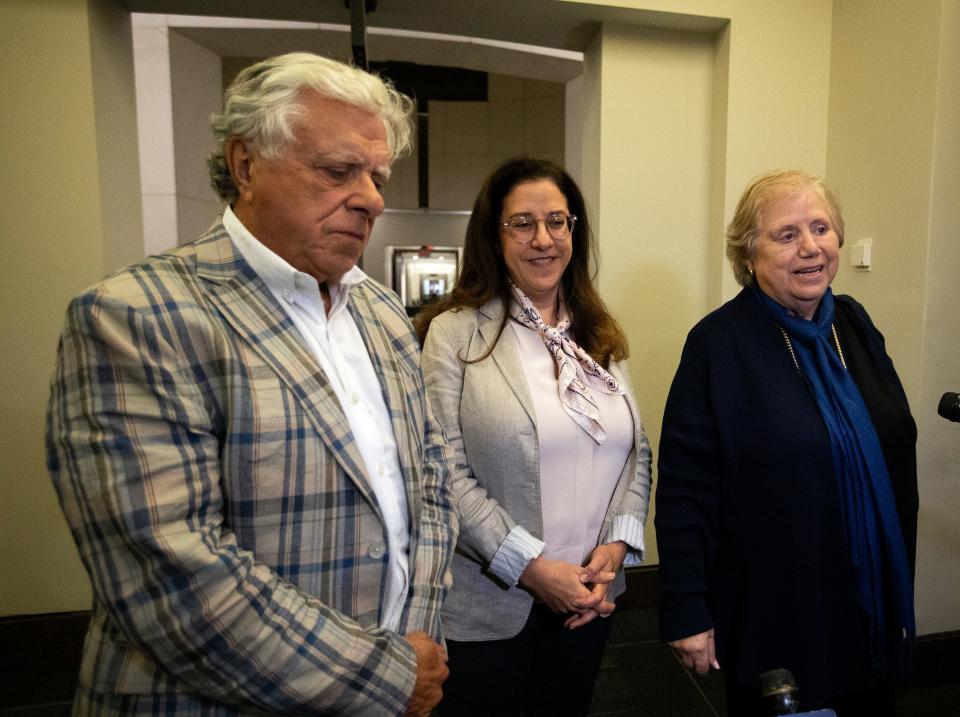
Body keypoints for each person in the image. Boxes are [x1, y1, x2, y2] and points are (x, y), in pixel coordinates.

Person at [46, 52, 456, 715]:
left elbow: (430, 481)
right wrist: (386, 675)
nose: (373, 198)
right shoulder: (136, 316)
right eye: (339, 170)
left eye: (378, 176)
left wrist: (419, 642)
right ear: (245, 164)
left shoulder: (381, 313)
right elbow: (173, 577)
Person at [655, 169, 918, 716]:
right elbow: (686, 489)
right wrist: (686, 606)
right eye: (787, 234)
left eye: (820, 228)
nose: (810, 248)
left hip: (866, 595)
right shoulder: (717, 345)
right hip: (776, 602)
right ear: (748, 256)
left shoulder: (854, 324)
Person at [415, 158, 652, 716]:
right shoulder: (453, 334)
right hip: (491, 607)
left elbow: (635, 451)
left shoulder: (595, 333)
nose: (543, 239)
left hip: (590, 599)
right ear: (493, 236)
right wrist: (532, 569)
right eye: (522, 223)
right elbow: (441, 471)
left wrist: (615, 550)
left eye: (557, 222)